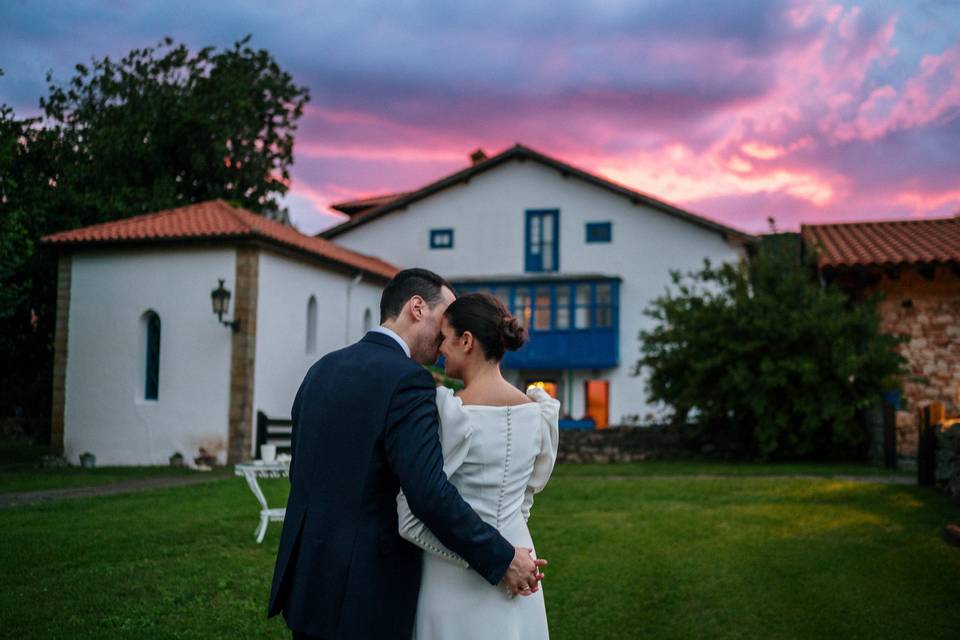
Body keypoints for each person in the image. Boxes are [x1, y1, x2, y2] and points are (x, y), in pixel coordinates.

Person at [268, 269, 547, 640]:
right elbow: (428, 493)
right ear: (417, 308)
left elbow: (302, 471)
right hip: (367, 591)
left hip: (308, 585)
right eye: (444, 318)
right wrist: (501, 558)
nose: (445, 333)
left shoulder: (322, 369)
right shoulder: (408, 380)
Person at [397, 292, 561, 639]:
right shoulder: (538, 412)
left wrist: (490, 560)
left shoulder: (448, 414)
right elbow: (525, 501)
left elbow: (410, 517)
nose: (439, 348)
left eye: (444, 338)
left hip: (451, 573)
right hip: (522, 563)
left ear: (466, 341)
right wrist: (510, 556)